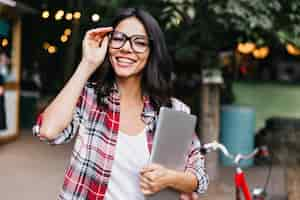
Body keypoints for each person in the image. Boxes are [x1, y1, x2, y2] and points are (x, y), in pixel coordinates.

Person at [33, 7, 208, 200]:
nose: (126, 48)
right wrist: (87, 64)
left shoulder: (175, 111)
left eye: (139, 42)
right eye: (118, 39)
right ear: (108, 44)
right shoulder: (89, 97)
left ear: (152, 52)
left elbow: (199, 177)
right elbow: (48, 132)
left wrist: (170, 179)